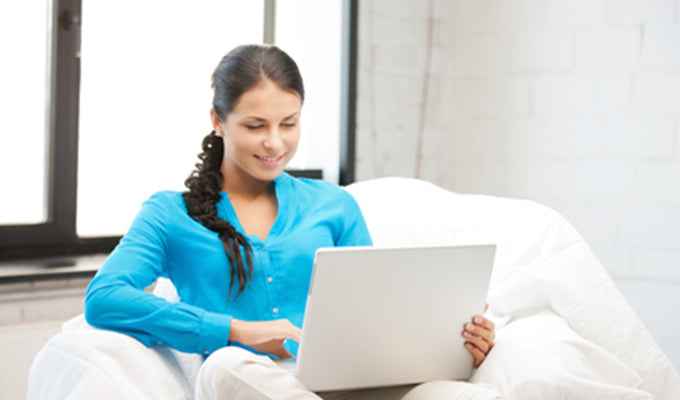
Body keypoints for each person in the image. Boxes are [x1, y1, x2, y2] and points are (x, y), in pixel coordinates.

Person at [84, 44, 501, 399]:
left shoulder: (334, 204)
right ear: (217, 120)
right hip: (251, 382)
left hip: (350, 379)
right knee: (224, 367)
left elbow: (373, 313)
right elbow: (104, 297)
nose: (275, 143)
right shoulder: (169, 213)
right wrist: (235, 331)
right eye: (255, 126)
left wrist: (453, 338)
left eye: (289, 123)